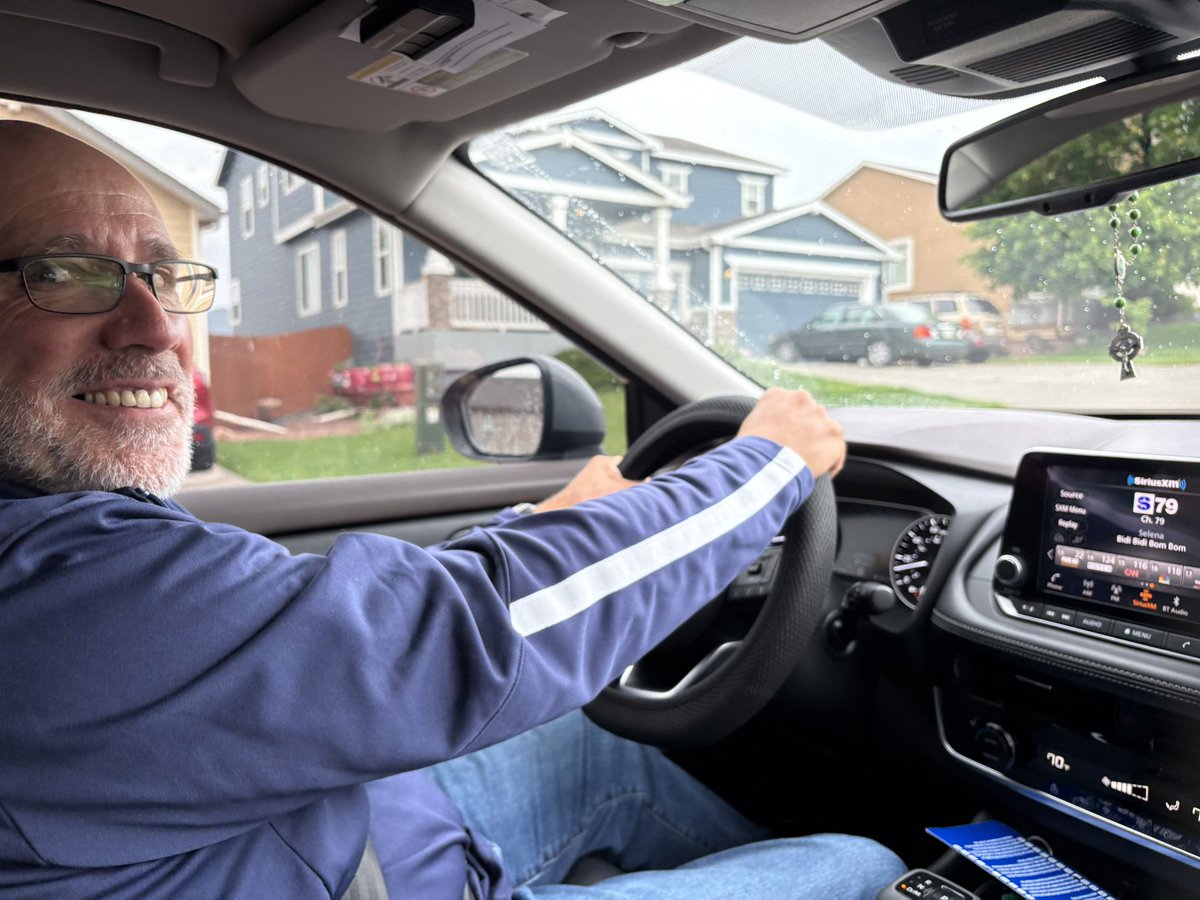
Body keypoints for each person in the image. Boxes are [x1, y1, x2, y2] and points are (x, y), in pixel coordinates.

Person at [0, 122, 905, 899]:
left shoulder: (55, 532)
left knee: (589, 746)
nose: (156, 326)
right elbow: (466, 629)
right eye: (69, 273)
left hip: (310, 829)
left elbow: (342, 628)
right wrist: (771, 463)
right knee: (861, 863)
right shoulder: (53, 595)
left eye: (165, 278)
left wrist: (546, 526)